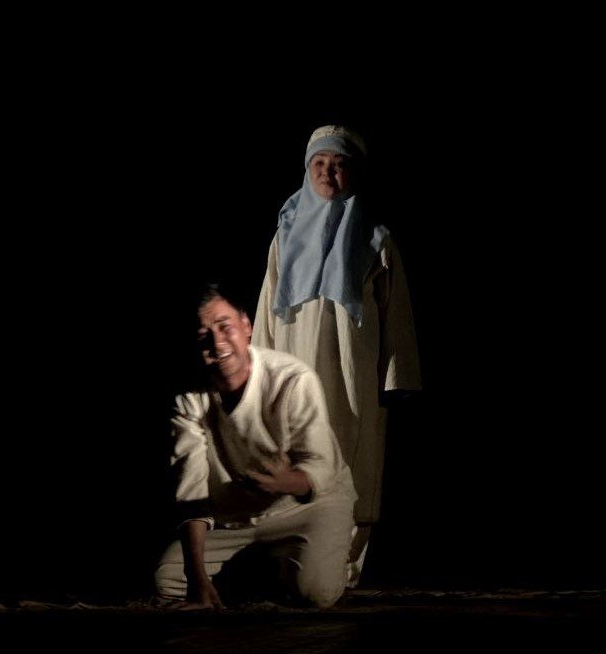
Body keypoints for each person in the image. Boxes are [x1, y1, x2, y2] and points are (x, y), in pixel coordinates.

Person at [251, 125, 422, 585]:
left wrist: (396, 376)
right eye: (320, 163)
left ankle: (344, 569)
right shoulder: (285, 236)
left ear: (355, 173)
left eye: (340, 164)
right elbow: (267, 309)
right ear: (308, 170)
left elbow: (396, 312)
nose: (329, 172)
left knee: (350, 456)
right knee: (296, 456)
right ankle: (295, 566)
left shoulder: (375, 238)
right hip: (293, 368)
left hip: (351, 373)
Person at [154, 285, 357, 609]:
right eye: (204, 335)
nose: (217, 343)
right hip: (236, 518)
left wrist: (287, 482)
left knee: (315, 593)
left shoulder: (291, 378)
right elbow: (191, 488)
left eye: (225, 327)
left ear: (246, 326)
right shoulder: (189, 398)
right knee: (169, 579)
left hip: (307, 508)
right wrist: (197, 579)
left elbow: (320, 465)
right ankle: (263, 567)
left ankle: (301, 561)